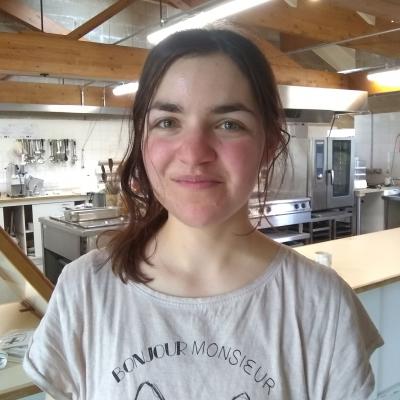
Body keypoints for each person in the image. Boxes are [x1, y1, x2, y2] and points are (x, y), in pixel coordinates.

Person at [24, 29, 383, 399]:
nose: (194, 153)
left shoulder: (322, 305)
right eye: (167, 122)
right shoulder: (84, 290)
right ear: (142, 139)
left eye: (229, 124)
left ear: (269, 144)